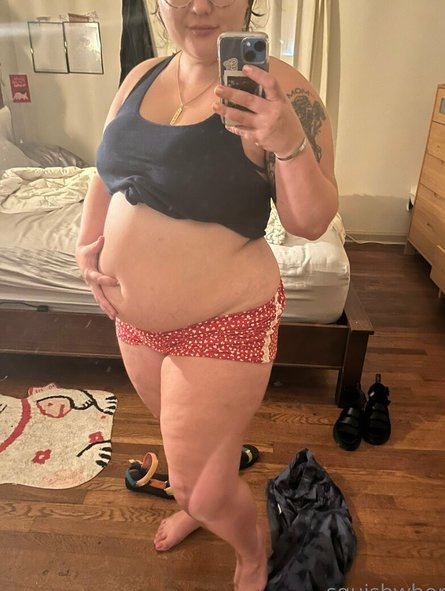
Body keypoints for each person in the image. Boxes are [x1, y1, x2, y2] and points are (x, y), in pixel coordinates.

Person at [75, 0, 338, 589]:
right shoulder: (141, 76)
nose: (200, 5)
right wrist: (87, 244)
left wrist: (288, 141)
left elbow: (310, 222)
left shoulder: (284, 90)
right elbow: (103, 171)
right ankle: (199, 505)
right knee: (186, 450)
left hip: (225, 320)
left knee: (197, 482)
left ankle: (250, 553)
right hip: (135, 322)